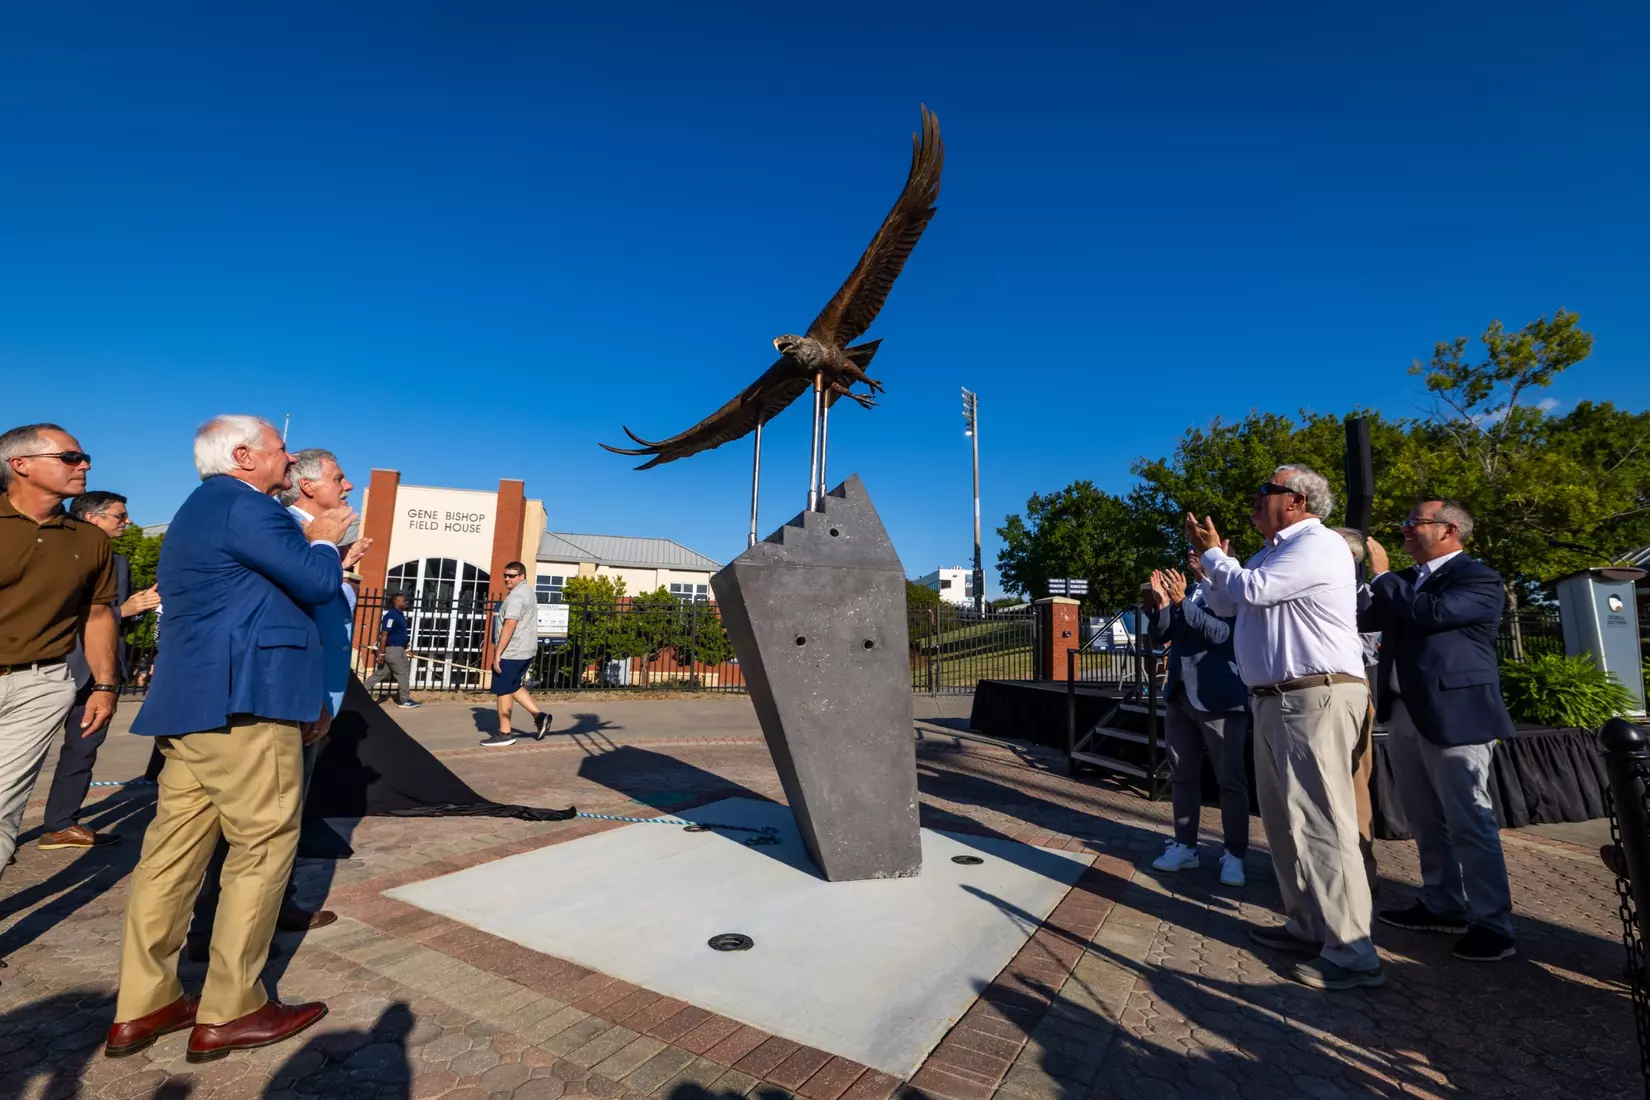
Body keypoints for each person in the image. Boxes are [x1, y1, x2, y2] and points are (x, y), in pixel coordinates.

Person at [106, 415, 350, 1063]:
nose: (289, 455)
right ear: (243, 455)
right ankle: (232, 1007)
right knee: (263, 847)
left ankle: (145, 1001)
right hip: (248, 701)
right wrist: (325, 541)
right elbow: (317, 582)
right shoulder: (249, 507)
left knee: (171, 855)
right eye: (279, 447)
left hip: (191, 704)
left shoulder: (200, 508)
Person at [1189, 464, 1380, 991]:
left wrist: (1215, 557)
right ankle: (1307, 923)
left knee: (1322, 821)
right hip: (1274, 700)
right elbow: (1228, 601)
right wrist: (1211, 568)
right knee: (1282, 820)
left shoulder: (1317, 545)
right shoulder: (1268, 552)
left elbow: (1254, 591)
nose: (1253, 499)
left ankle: (1353, 951)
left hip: (1315, 694)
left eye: (1263, 491)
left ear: (1295, 500)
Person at [183, 448, 371, 958]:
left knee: (286, 811)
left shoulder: (319, 539)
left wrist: (341, 564)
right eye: (339, 476)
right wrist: (326, 553)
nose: (348, 485)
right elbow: (289, 610)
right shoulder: (282, 527)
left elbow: (323, 601)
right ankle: (217, 935)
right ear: (308, 486)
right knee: (255, 820)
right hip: (286, 695)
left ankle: (276, 904)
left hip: (315, 690)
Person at [1363, 499, 1517, 963]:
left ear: (1450, 529)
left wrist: (1384, 576)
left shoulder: (1479, 580)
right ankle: (1442, 902)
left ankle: (1493, 924)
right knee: (1424, 818)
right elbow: (1367, 620)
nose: (1406, 529)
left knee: (1469, 819)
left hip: (1456, 715)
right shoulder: (1407, 582)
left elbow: (1431, 614)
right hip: (1406, 713)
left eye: (1415, 522)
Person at [0, 424, 121, 978]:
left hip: (41, 684)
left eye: (86, 456)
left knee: (3, 806)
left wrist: (104, 682)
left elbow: (97, 615)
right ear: (20, 464)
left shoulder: (90, 539)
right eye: (70, 456)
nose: (85, 465)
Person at [38, 491, 161, 850]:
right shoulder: (53, 552)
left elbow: (109, 617)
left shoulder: (118, 561)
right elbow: (59, 615)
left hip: (98, 676)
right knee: (22, 753)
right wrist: (124, 611)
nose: (127, 522)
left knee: (82, 752)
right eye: (119, 516)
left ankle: (61, 824)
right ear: (93, 519)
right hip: (54, 667)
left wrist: (135, 607)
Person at [1145, 554, 1250, 887]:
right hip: (1179, 696)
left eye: (1204, 553)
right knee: (1182, 776)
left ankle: (1234, 854)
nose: (1195, 559)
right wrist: (1163, 605)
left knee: (1230, 781)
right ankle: (1186, 846)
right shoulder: (1187, 593)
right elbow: (1161, 636)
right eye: (1193, 555)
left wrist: (1179, 603)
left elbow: (1220, 634)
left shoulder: (1234, 592)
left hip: (1220, 699)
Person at [1331, 526, 1382, 897]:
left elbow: (1370, 649)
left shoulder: (1365, 597)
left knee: (1352, 780)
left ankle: (1362, 868)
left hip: (1351, 688)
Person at [484, 562, 551, 747]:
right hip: (526, 650)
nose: (507, 578)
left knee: (503, 689)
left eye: (512, 575)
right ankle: (540, 716)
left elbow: (510, 625)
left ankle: (505, 733)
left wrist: (498, 653)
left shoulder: (516, 597)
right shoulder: (528, 592)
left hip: (512, 652)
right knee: (512, 685)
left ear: (522, 576)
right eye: (505, 575)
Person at [364, 590, 419, 708]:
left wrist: (407, 649)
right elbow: (384, 635)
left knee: (380, 673)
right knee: (403, 674)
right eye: (404, 601)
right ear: (396, 602)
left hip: (398, 649)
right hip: (393, 650)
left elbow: (401, 635)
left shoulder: (400, 616)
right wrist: (381, 654)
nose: (406, 603)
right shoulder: (390, 616)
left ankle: (361, 691)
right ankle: (405, 700)